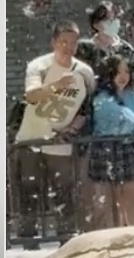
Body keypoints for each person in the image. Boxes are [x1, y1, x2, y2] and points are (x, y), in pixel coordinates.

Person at [14, 20, 97, 239]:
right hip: (32, 137)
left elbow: (86, 108)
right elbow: (31, 96)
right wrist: (56, 85)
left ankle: (65, 235)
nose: (69, 47)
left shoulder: (85, 72)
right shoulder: (38, 66)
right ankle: (27, 236)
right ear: (53, 43)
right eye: (63, 42)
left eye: (73, 42)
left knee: (64, 190)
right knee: (28, 189)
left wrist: (71, 129)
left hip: (60, 141)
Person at [87, 54, 134, 227]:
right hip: (105, 147)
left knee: (131, 195)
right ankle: (112, 237)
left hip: (128, 146)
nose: (123, 76)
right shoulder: (100, 96)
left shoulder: (132, 95)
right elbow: (115, 110)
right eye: (117, 72)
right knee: (108, 199)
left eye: (126, 71)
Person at [77, 1, 134, 95]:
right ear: (96, 25)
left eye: (115, 19)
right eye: (108, 20)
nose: (114, 23)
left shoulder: (127, 50)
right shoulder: (85, 49)